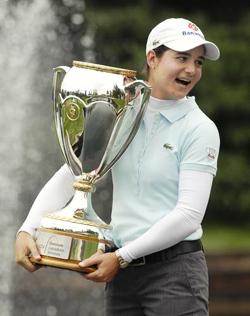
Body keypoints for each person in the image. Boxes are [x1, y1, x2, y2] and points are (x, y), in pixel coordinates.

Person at [16, 18, 220, 316]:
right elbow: (73, 174)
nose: (192, 69)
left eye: (198, 61)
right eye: (181, 57)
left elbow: (188, 215)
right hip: (122, 276)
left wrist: (122, 257)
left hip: (174, 274)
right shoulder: (122, 112)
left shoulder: (200, 128)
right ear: (153, 58)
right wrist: (27, 229)